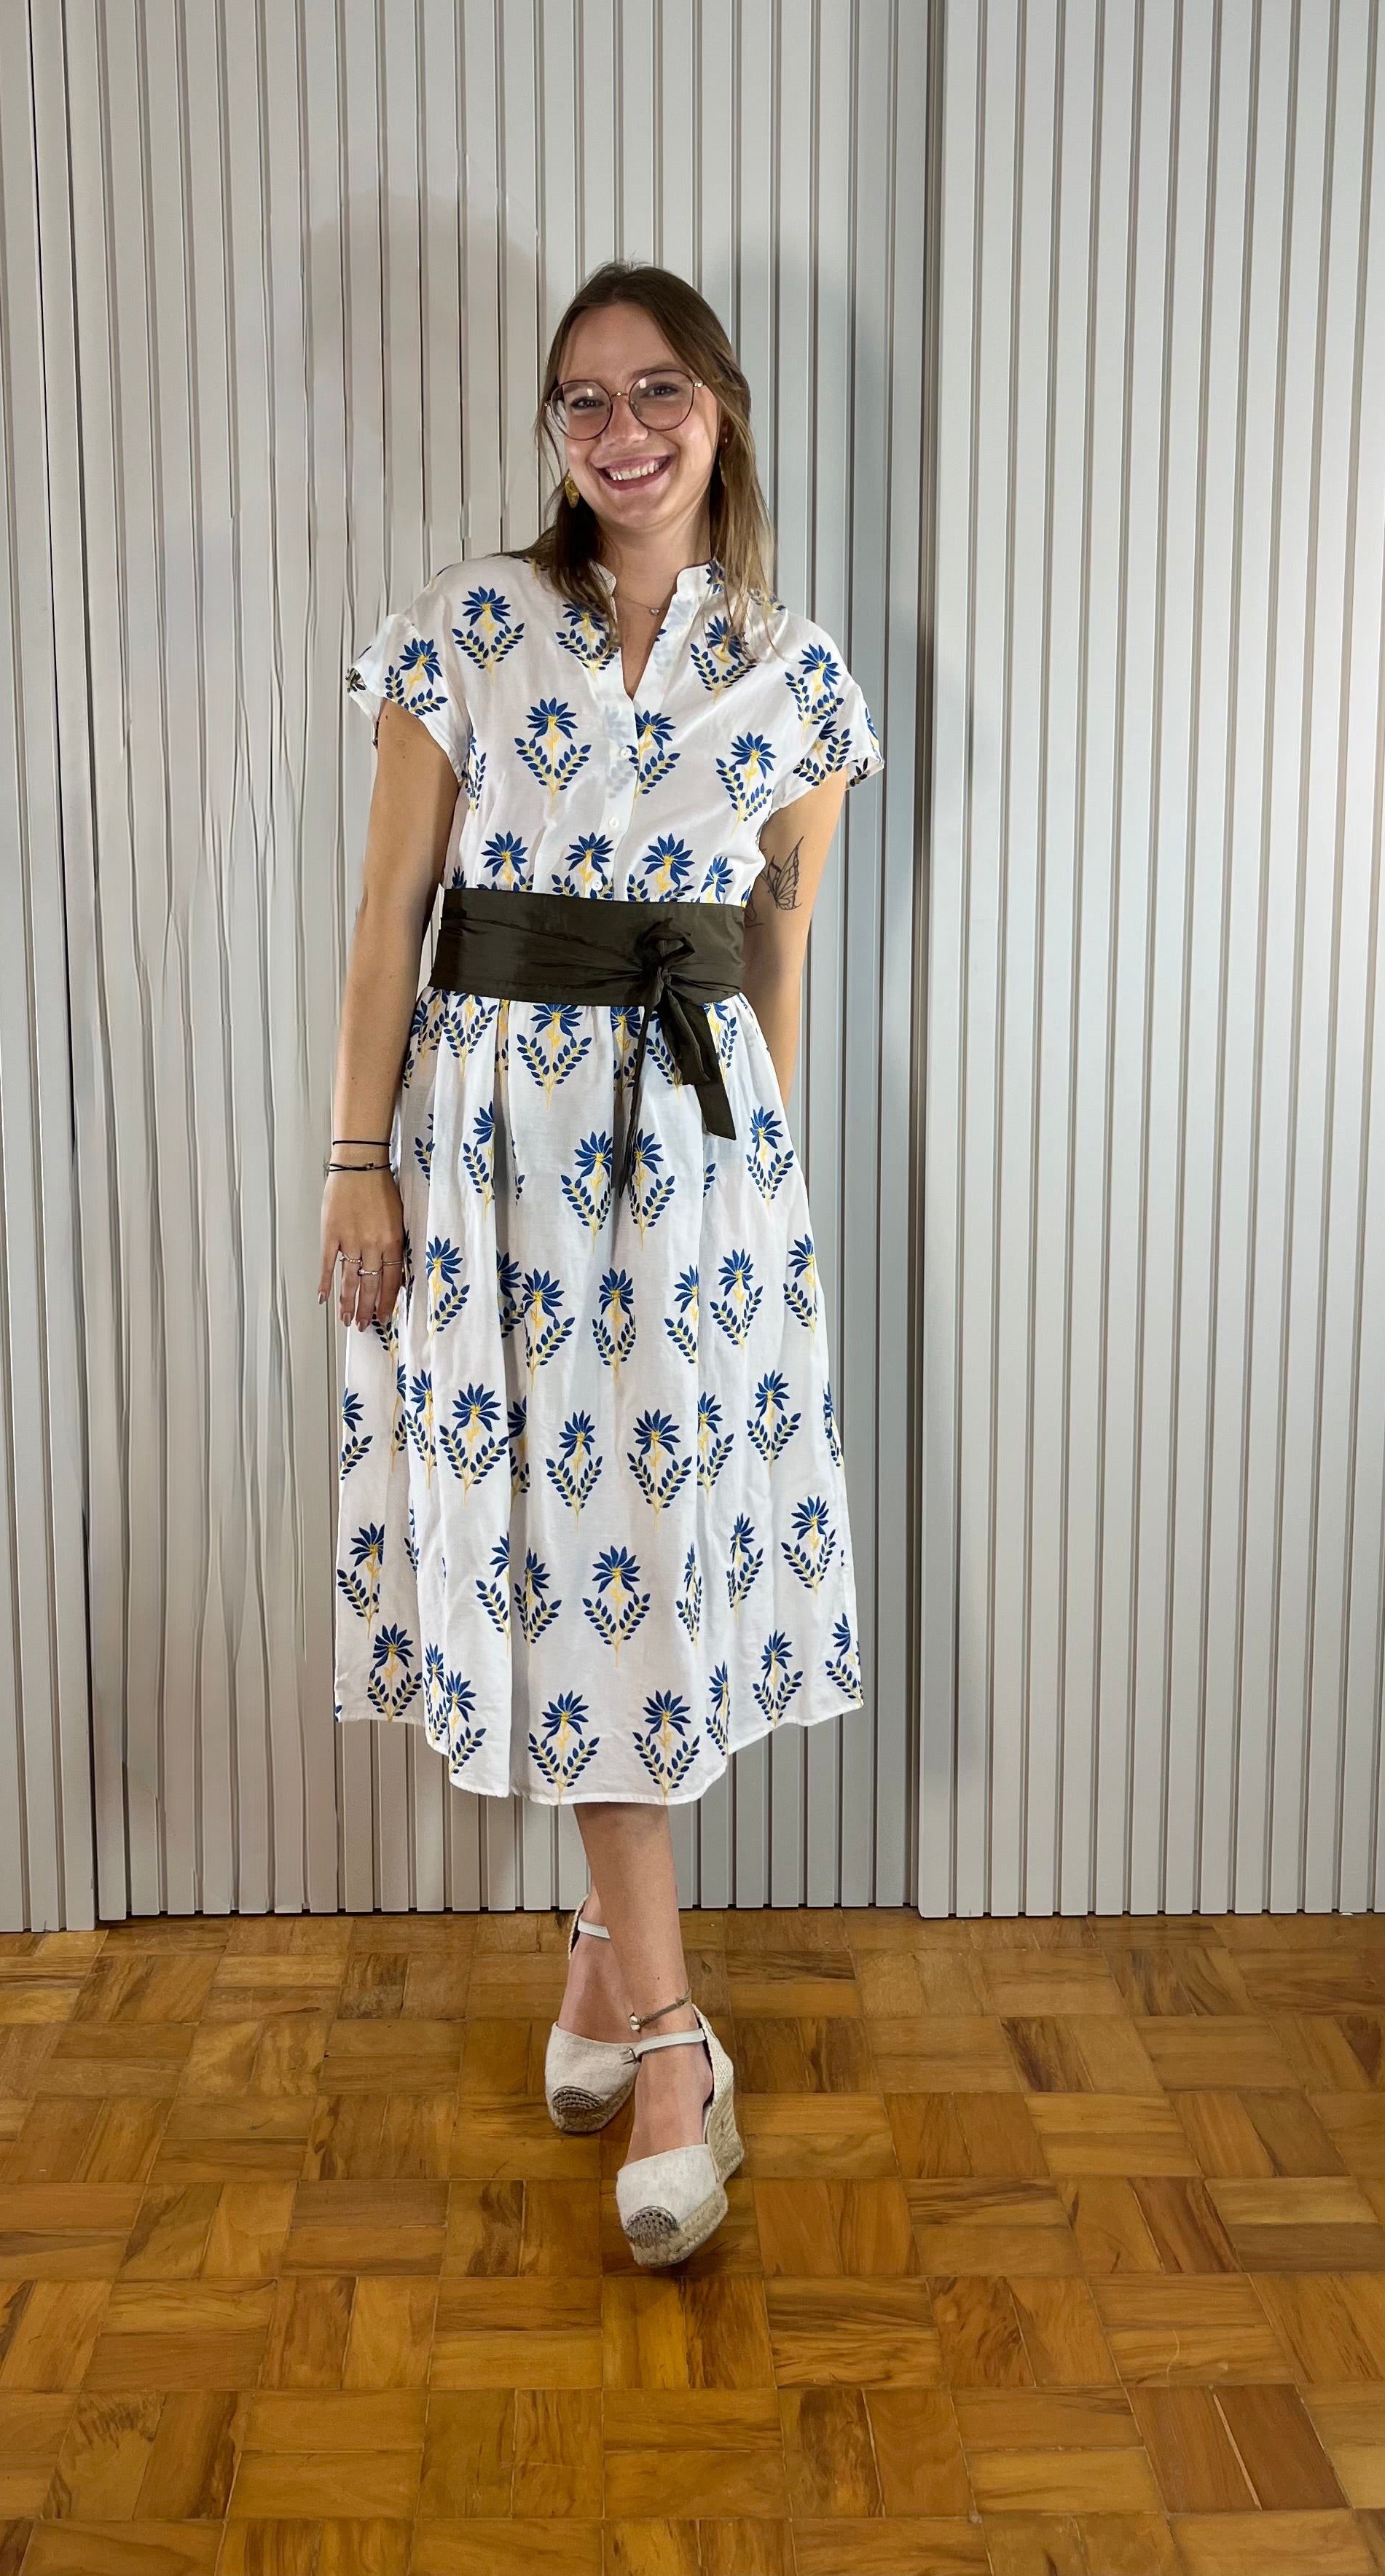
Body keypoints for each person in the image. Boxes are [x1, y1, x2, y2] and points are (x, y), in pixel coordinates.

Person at [319, 260, 883, 2268]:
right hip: (491, 1175)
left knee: (642, 1585)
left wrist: (770, 1205)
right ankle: (671, 2035)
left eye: (657, 391)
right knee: (562, 1569)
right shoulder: (468, 630)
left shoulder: (795, 675)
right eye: (582, 399)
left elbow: (777, 953)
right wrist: (357, 1158)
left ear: (720, 409)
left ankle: (604, 1977)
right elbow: (391, 917)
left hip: (698, 1190)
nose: (621, 429)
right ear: (554, 431)